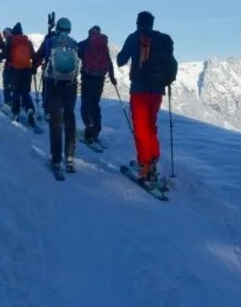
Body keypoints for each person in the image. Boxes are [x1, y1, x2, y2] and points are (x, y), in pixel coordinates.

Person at [116, 11, 178, 189]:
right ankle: (152, 160)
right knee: (150, 126)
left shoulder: (135, 37)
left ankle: (145, 167)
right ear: (152, 23)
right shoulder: (162, 40)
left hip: (140, 90)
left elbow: (121, 60)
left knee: (141, 127)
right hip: (158, 91)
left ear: (137, 23)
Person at [35, 16, 82, 173]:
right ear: (69, 30)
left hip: (53, 84)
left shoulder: (50, 41)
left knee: (56, 121)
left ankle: (56, 159)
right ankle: (69, 157)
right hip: (71, 85)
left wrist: (34, 66)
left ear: (57, 28)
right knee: (69, 118)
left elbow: (38, 57)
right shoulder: (74, 44)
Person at [76, 25, 117, 145]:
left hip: (87, 78)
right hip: (99, 79)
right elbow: (108, 62)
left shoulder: (83, 44)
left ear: (89, 33)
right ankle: (96, 131)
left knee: (86, 104)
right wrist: (112, 77)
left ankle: (89, 129)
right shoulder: (103, 46)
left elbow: (77, 56)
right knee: (95, 104)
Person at [4, 23, 39, 128]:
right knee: (25, 92)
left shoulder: (11, 40)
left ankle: (16, 113)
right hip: (27, 70)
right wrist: (33, 68)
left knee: (16, 92)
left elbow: (6, 54)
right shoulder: (27, 42)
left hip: (15, 70)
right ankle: (30, 110)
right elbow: (34, 57)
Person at [0, 27, 14, 106]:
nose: (3, 36)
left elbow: (5, 54)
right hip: (18, 68)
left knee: (6, 85)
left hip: (9, 66)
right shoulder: (16, 40)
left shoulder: (8, 41)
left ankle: (8, 102)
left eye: (4, 34)